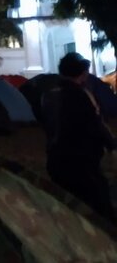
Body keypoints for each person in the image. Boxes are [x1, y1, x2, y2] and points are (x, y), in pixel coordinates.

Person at [40, 52, 116, 221]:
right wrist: (111, 145)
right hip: (82, 161)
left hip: (55, 158)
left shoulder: (48, 95)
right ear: (83, 73)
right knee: (98, 205)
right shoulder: (81, 95)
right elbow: (95, 125)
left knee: (67, 206)